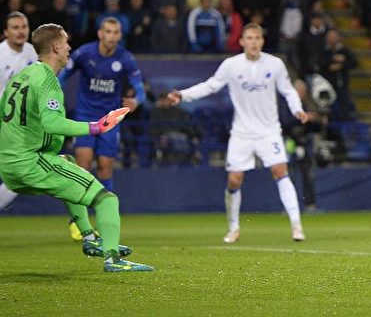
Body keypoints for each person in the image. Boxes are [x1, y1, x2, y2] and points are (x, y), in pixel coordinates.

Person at [0, 23, 152, 272]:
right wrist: (96, 127)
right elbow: (52, 123)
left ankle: (90, 238)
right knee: (107, 199)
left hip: (9, 165)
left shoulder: (21, 76)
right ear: (56, 46)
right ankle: (113, 259)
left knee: (69, 162)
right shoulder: (48, 80)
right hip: (31, 162)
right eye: (66, 42)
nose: (70, 47)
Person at [167, 23, 308, 243]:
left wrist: (297, 109)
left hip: (268, 131)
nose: (253, 42)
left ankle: (297, 226)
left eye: (257, 38)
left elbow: (288, 90)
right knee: (234, 180)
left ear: (262, 41)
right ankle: (233, 228)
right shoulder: (231, 66)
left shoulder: (275, 64)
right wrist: (183, 95)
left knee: (280, 171)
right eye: (249, 38)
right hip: (242, 132)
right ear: (241, 41)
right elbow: (210, 85)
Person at [58, 17, 146, 239]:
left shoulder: (125, 58)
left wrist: (136, 101)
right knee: (84, 165)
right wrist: (54, 94)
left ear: (119, 36)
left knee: (105, 167)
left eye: (116, 32)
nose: (112, 36)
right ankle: (78, 220)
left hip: (109, 120)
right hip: (85, 117)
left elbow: (139, 88)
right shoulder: (84, 54)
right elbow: (62, 76)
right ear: (100, 33)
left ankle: (103, 217)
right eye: (108, 31)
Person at [0, 12, 38, 209]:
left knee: (21, 177)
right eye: (15, 27)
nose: (21, 31)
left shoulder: (32, 52)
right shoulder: (0, 55)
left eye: (24, 26)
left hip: (19, 126)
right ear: (6, 32)